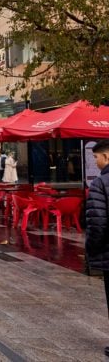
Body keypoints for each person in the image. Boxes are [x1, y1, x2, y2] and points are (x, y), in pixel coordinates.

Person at [86, 140, 109, 358]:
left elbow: (97, 223)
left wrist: (91, 250)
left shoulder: (100, 183)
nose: (96, 161)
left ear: (107, 157)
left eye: (96, 157)